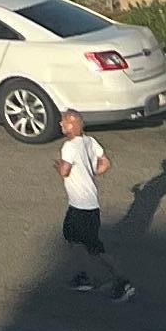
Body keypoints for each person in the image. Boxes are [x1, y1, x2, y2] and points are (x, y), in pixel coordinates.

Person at [56, 109, 134, 301]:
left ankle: (123, 281)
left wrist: (60, 167)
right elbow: (105, 163)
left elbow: (65, 171)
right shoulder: (90, 141)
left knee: (95, 249)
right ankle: (85, 276)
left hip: (83, 207)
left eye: (64, 121)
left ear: (72, 124)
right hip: (81, 204)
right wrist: (89, 172)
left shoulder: (69, 146)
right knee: (72, 237)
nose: (61, 124)